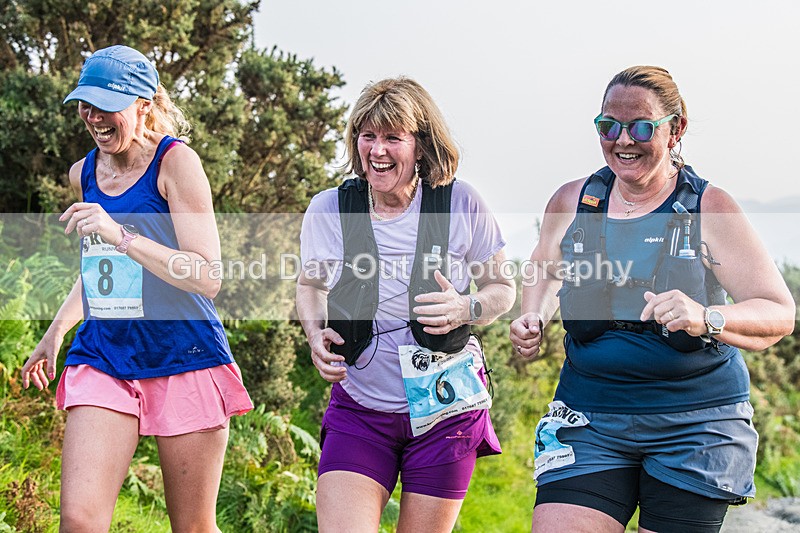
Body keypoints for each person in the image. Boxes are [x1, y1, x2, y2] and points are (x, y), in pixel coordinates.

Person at [510, 65, 795, 533]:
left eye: (641, 126)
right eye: (609, 126)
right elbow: (545, 266)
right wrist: (532, 317)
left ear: (676, 128)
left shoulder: (709, 207)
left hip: (696, 424)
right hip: (590, 415)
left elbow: (778, 310)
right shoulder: (573, 200)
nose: (623, 140)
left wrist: (707, 316)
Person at [20, 45, 253, 533]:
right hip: (105, 352)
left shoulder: (176, 164)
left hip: (183, 353)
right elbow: (99, 271)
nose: (93, 116)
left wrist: (122, 235)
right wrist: (57, 330)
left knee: (191, 526)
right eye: (85, 103)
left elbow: (208, 276)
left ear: (144, 105)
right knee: (79, 520)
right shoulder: (84, 174)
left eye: (106, 105)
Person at [296, 77, 515, 532]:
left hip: (445, 410)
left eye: (393, 137)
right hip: (360, 408)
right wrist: (315, 333)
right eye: (368, 135)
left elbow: (503, 288)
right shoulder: (329, 209)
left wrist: (465, 308)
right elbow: (310, 285)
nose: (377, 150)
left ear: (420, 145)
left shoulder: (460, 201)